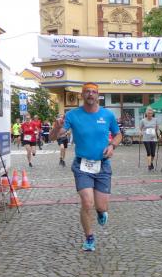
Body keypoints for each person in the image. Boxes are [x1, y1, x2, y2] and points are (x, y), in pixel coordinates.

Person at [49, 82, 121, 252]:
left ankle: (101, 212)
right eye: (87, 91)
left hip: (102, 165)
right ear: (82, 95)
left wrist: (112, 146)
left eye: (93, 92)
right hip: (82, 165)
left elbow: (118, 134)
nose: (90, 94)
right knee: (87, 203)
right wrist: (56, 127)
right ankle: (89, 238)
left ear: (98, 95)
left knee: (101, 206)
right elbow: (53, 137)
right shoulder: (73, 115)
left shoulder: (108, 115)